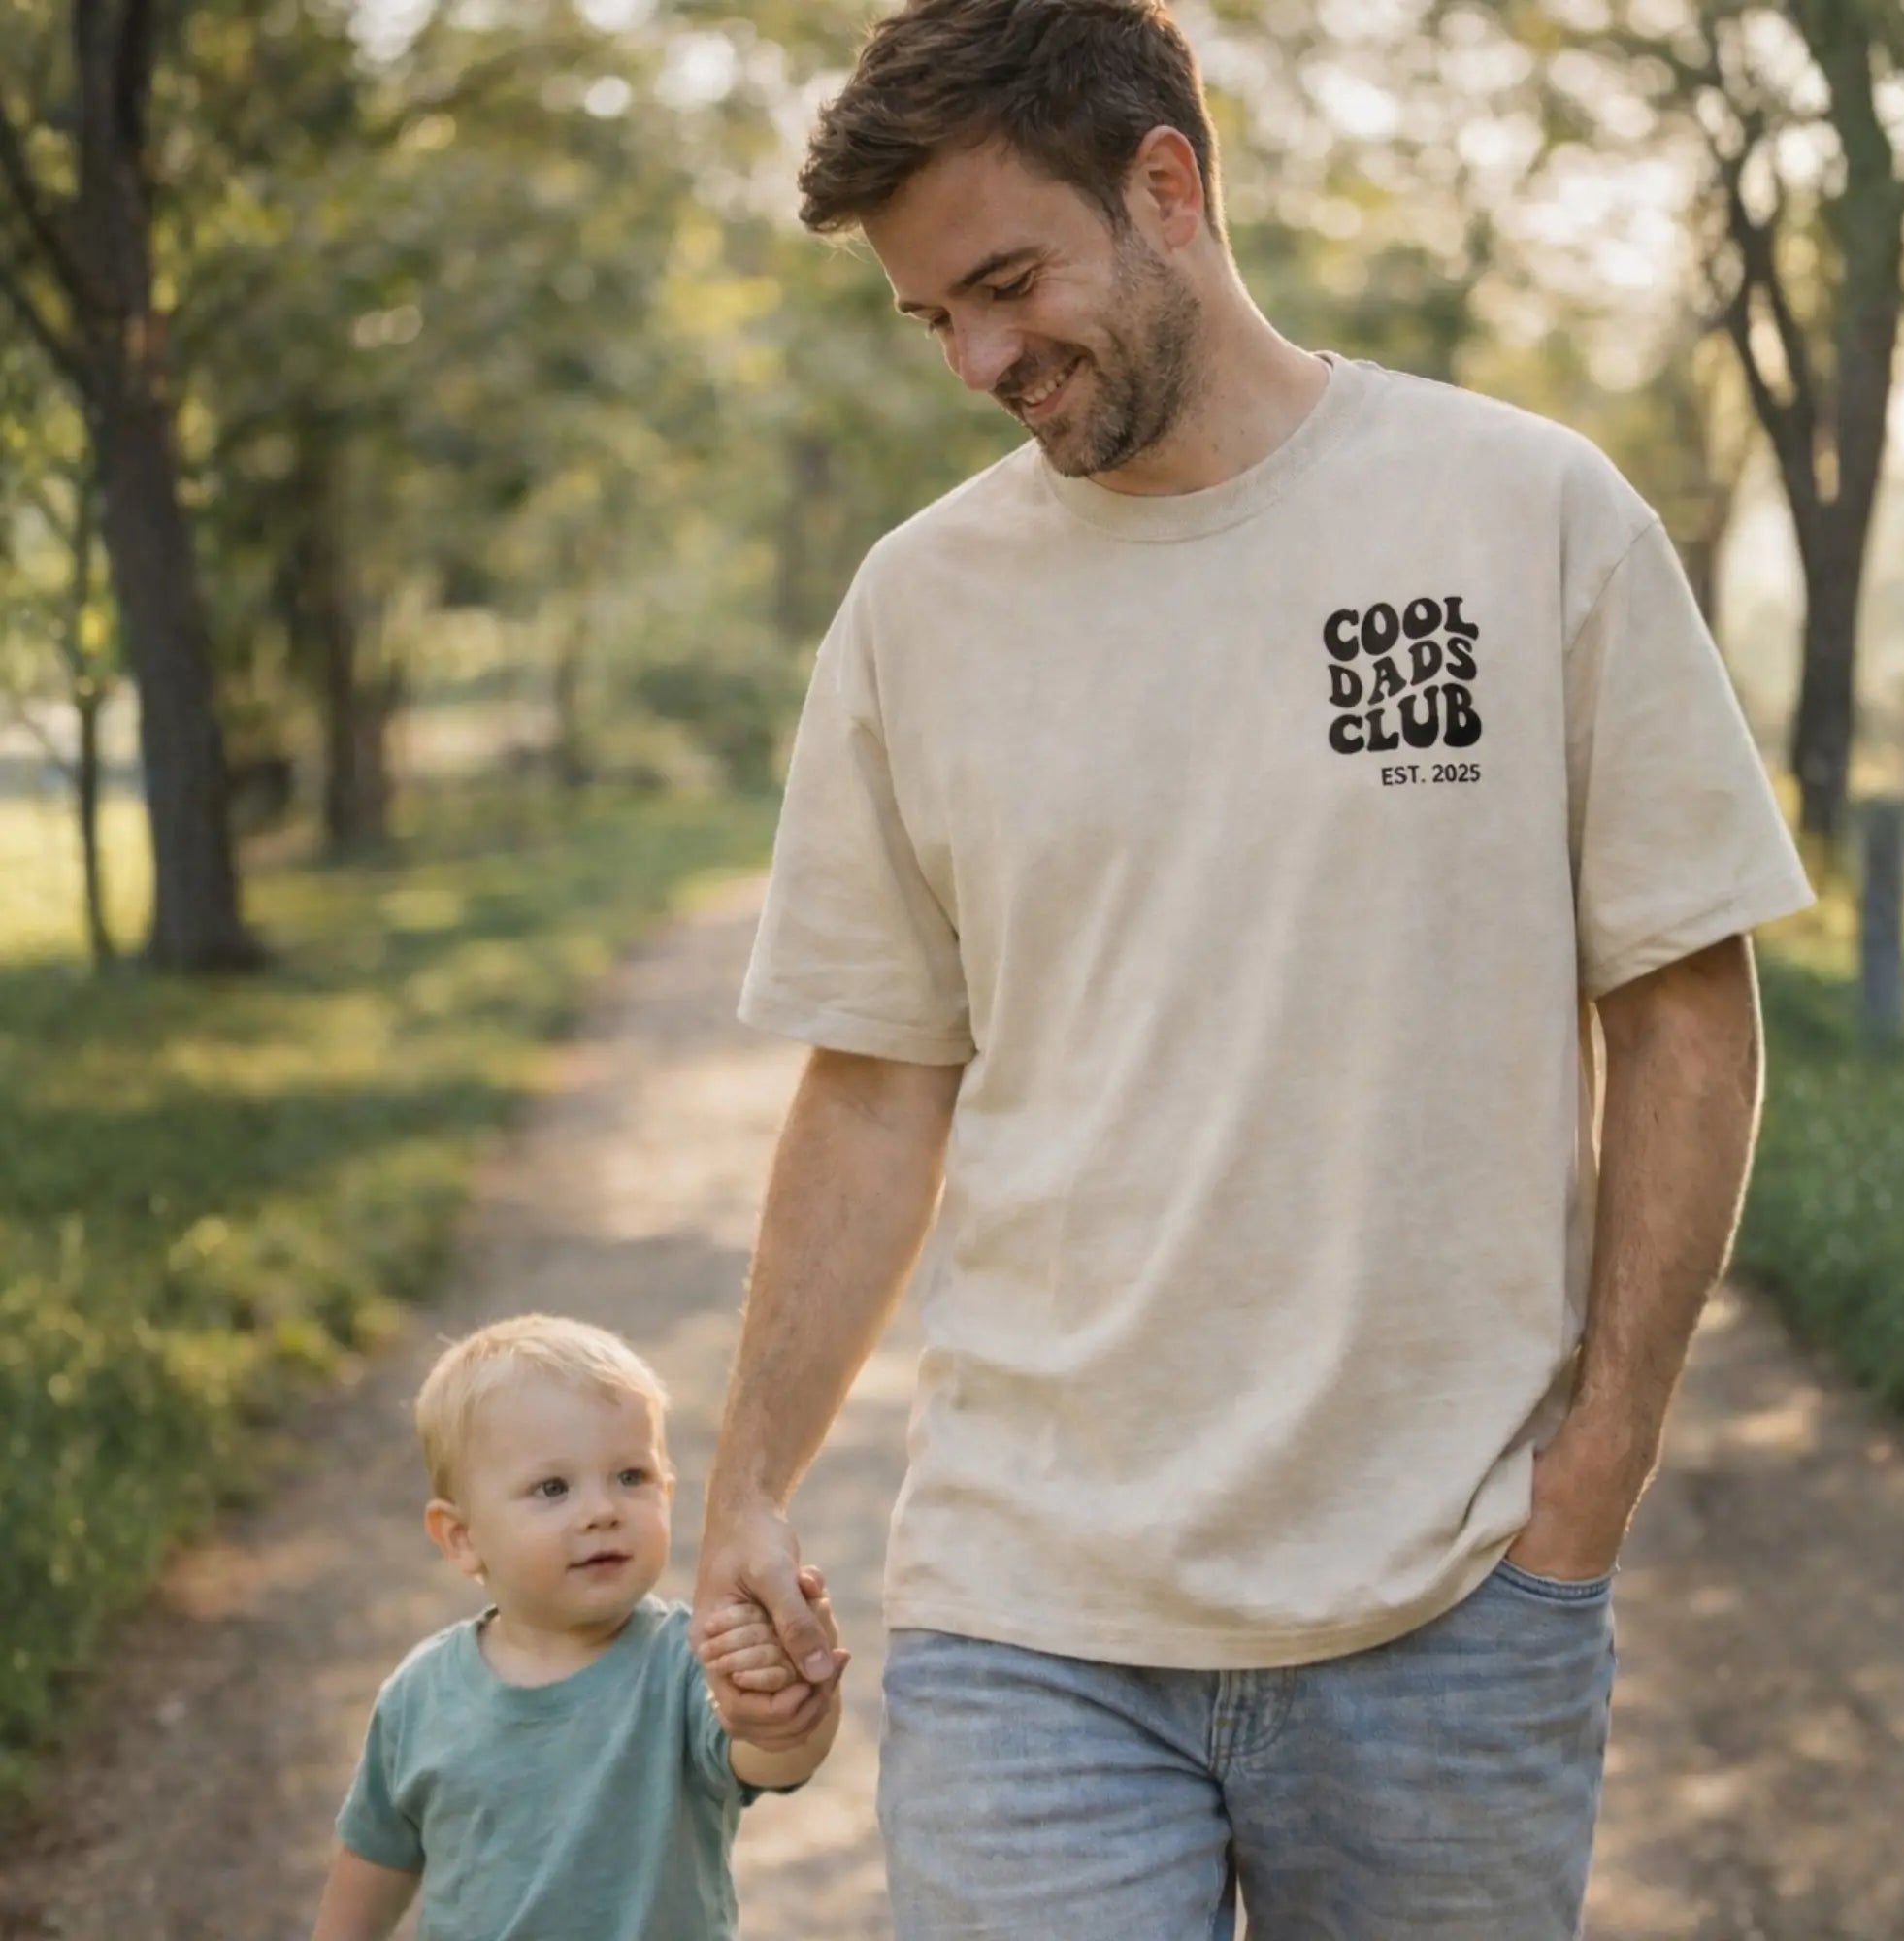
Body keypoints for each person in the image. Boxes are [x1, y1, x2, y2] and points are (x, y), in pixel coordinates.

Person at [691, 1, 1816, 1933]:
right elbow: (877, 1082)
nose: (976, 357)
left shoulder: (1526, 517)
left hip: (1451, 1608)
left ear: (1167, 185)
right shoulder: (919, 610)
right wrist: (747, 1482)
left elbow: (1681, 1004)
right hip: (1022, 1611)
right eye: (931, 317)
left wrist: (1598, 1469)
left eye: (1006, 281)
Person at [310, 1314, 843, 1941]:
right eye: (552, 1488)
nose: (601, 1512)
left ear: (667, 1494)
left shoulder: (686, 1662)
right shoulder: (420, 1697)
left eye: (630, 1478)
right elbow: (367, 1880)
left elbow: (775, 1756)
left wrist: (799, 1688)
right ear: (462, 1538)